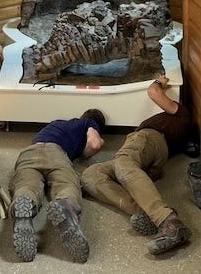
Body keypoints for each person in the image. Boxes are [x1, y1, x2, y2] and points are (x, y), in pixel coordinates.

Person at [81, 74, 192, 255]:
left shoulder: (182, 114)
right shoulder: (178, 127)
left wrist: (159, 82)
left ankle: (169, 221)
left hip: (149, 139)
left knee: (124, 163)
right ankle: (145, 212)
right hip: (151, 154)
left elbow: (153, 92)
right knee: (91, 175)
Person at [10, 108, 106, 264]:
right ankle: (65, 205)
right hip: (56, 153)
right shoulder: (90, 122)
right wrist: (86, 153)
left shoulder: (57, 123)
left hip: (29, 152)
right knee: (66, 184)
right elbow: (94, 144)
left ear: (82, 114)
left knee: (27, 184)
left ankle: (24, 201)